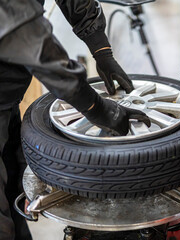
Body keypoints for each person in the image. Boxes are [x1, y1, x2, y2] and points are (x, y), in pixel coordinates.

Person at [0, 0, 150, 239]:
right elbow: (31, 42)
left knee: (13, 190)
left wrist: (100, 49)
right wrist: (99, 109)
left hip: (7, 97)